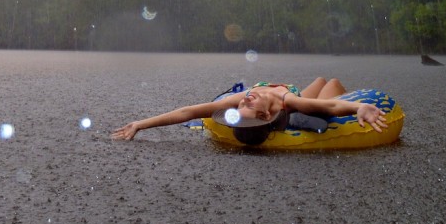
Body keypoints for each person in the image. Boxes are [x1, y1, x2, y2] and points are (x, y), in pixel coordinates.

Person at [112, 78, 388, 144]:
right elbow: (332, 106)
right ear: (267, 116)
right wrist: (360, 106)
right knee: (332, 83)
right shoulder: (290, 104)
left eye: (242, 104)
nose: (244, 101)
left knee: (318, 79)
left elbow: (189, 112)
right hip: (294, 96)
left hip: (290, 89)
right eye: (248, 105)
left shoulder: (240, 98)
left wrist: (141, 123)